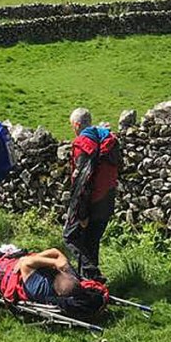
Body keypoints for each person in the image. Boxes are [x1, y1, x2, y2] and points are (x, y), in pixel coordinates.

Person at [63, 107, 119, 282]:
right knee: (90, 243)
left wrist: (82, 214)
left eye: (73, 125)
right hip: (107, 198)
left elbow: (83, 183)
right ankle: (90, 285)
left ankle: (93, 275)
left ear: (77, 125)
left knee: (70, 237)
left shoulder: (84, 144)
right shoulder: (106, 140)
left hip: (92, 201)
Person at [14, 248, 81, 303]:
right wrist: (63, 260)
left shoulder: (39, 289)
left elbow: (25, 263)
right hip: (35, 266)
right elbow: (54, 251)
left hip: (21, 273)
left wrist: (55, 262)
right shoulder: (71, 276)